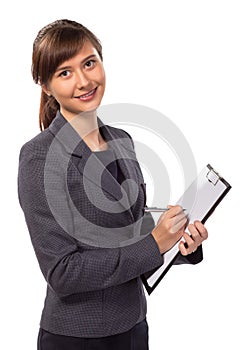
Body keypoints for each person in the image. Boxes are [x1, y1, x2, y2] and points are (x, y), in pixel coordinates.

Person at [18, 19, 208, 350]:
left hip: (134, 328)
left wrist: (179, 242)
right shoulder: (39, 157)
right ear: (46, 86)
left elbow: (138, 236)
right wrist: (154, 243)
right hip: (78, 338)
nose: (83, 80)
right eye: (65, 72)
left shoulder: (122, 141)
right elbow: (63, 272)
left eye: (89, 63)